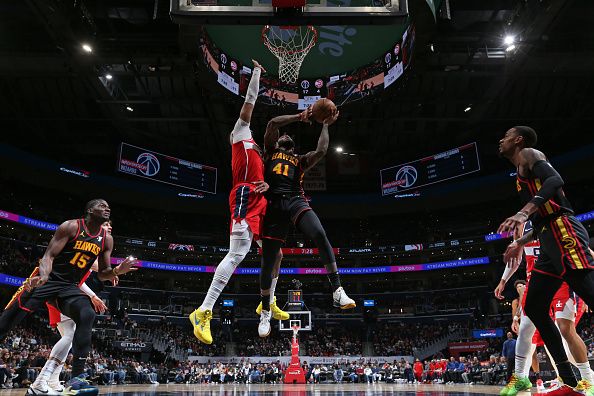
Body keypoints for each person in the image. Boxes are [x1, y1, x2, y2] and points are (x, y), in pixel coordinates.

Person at [189, 59, 289, 345]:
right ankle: (203, 310)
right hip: (244, 195)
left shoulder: (259, 148)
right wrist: (257, 71)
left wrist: (269, 184)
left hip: (259, 200)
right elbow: (251, 99)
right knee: (236, 255)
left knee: (276, 254)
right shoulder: (240, 134)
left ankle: (266, 303)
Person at [0, 199, 137, 395]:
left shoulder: (106, 239)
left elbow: (102, 273)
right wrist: (44, 276)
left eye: (108, 206)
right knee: (6, 322)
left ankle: (76, 378)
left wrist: (116, 271)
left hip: (69, 287)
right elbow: (48, 256)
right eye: (102, 206)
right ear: (90, 210)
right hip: (47, 280)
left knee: (87, 314)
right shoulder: (71, 226)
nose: (107, 209)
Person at [498, 126, 594, 394]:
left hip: (564, 231)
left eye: (506, 136)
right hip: (547, 239)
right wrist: (519, 242)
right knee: (535, 306)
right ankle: (569, 377)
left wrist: (523, 212)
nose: (501, 140)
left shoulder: (530, 153)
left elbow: (555, 181)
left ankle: (583, 378)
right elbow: (540, 220)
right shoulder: (518, 176)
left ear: (518, 140)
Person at [257, 107, 355, 336]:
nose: (285, 136)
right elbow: (272, 123)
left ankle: (337, 290)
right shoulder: (269, 151)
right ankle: (265, 312)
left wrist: (325, 125)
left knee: (320, 234)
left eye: (288, 137)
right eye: (284, 136)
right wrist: (298, 117)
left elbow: (321, 150)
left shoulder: (299, 160)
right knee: (268, 260)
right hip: (272, 203)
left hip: (294, 199)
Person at [28, 221, 115, 395]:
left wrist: (113, 272)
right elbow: (90, 273)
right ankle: (40, 381)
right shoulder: (84, 245)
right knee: (69, 337)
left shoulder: (95, 248)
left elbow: (97, 271)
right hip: (61, 293)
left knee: (69, 338)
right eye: (106, 224)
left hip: (68, 293)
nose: (110, 227)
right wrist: (94, 294)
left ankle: (52, 381)